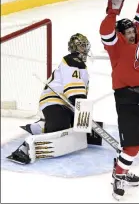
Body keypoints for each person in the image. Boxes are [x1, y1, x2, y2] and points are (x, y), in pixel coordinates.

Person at [99, 0, 139, 199]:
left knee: (138, 142)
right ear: (121, 35)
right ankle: (119, 175)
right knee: (133, 145)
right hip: (126, 99)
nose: (132, 33)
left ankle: (120, 167)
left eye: (133, 31)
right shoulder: (115, 46)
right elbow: (105, 32)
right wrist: (112, 13)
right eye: (128, 32)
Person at [7, 33, 91, 164]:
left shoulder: (82, 66)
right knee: (60, 127)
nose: (84, 49)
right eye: (81, 46)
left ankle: (43, 125)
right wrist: (81, 105)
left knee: (73, 129)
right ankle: (37, 131)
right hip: (53, 99)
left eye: (85, 46)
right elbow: (74, 88)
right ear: (74, 47)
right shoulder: (72, 60)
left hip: (66, 103)